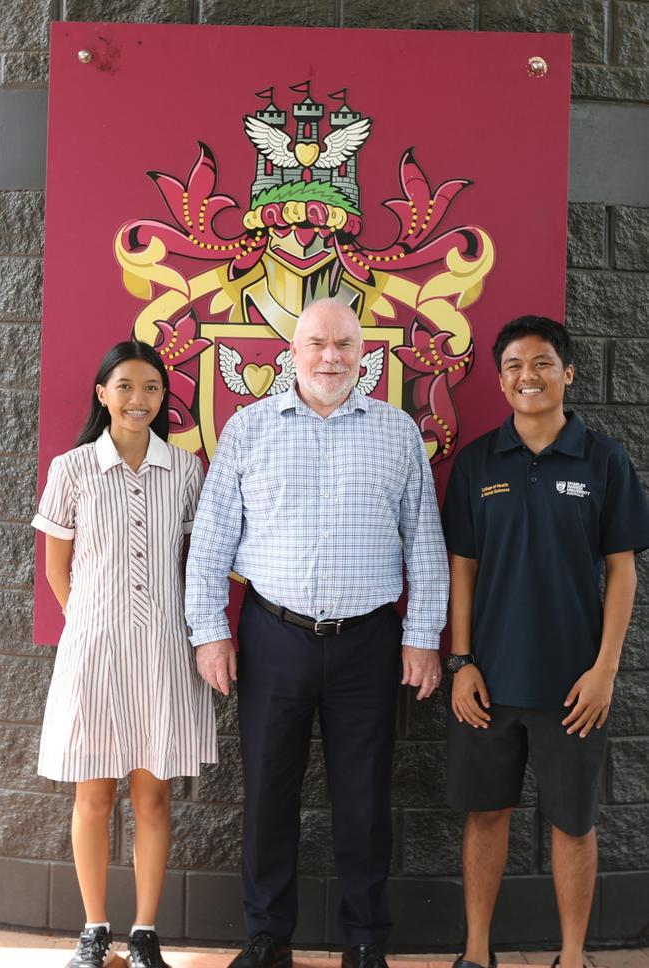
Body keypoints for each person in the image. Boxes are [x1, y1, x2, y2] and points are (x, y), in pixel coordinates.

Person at [185, 298, 449, 968]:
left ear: (364, 356)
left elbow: (425, 541)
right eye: (316, 344)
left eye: (344, 345)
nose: (331, 357)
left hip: (369, 644)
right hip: (274, 638)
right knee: (268, 793)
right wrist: (209, 632)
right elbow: (212, 540)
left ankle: (365, 941)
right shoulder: (248, 430)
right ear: (291, 353)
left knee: (364, 800)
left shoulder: (396, 434)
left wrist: (423, 636)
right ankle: (268, 939)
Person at [442, 315, 649, 968]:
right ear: (501, 382)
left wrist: (605, 670)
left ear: (568, 373)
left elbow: (622, 569)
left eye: (540, 363)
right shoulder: (477, 462)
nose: (526, 376)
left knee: (574, 824)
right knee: (484, 817)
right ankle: (477, 952)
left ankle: (572, 955)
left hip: (574, 685)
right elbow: (463, 571)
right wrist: (462, 662)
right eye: (513, 366)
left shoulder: (605, 459)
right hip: (490, 683)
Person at [32, 341, 218, 968]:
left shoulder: (186, 471)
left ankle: (143, 932)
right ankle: (93, 929)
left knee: (154, 796)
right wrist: (93, 623)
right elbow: (58, 569)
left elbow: (198, 565)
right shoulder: (73, 469)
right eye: (127, 387)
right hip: (95, 654)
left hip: (165, 654)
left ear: (164, 399)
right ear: (102, 393)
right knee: (93, 794)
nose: (139, 400)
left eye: (152, 389)